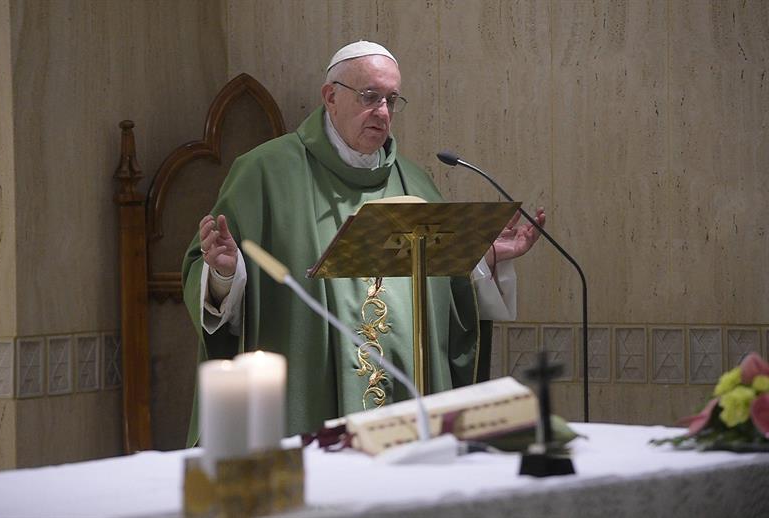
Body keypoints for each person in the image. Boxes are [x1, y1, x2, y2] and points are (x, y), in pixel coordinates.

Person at [182, 41, 545, 446]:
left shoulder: (416, 183)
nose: (384, 112)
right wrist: (224, 273)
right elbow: (211, 275)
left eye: (392, 99)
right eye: (370, 97)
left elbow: (447, 291)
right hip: (309, 401)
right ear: (330, 96)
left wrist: (484, 257)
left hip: (408, 414)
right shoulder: (264, 173)